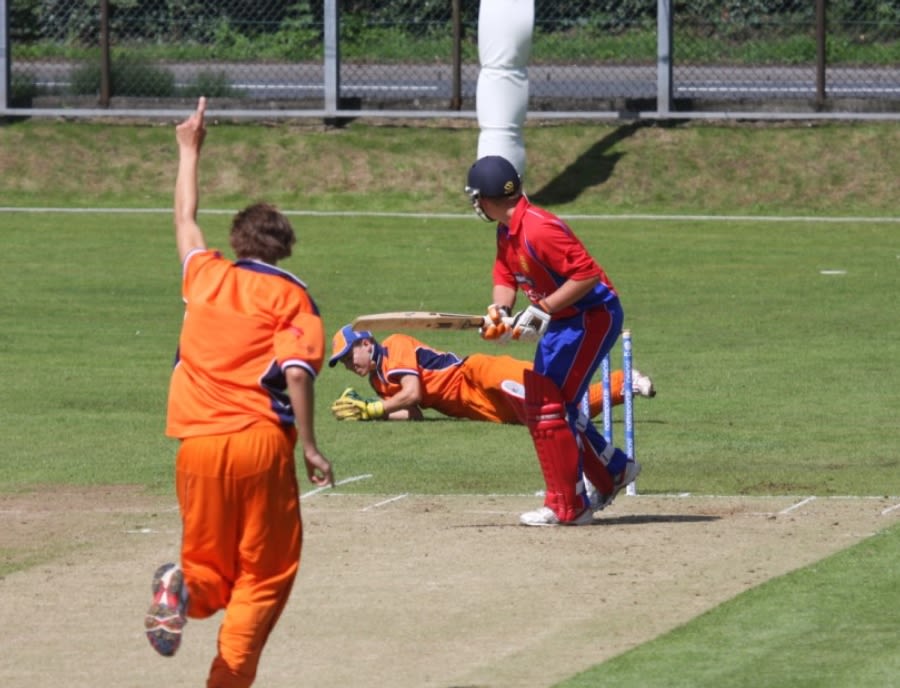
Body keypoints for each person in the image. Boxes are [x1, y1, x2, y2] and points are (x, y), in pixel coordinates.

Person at [144, 96, 334, 688]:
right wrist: (309, 445)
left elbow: (183, 219)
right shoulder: (293, 298)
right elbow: (298, 372)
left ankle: (183, 588)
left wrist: (187, 149)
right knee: (266, 574)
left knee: (209, 570)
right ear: (286, 248)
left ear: (238, 241)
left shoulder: (206, 275)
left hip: (195, 447)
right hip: (258, 445)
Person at [465, 154, 639, 526]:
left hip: (592, 317)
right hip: (563, 321)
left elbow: (587, 275)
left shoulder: (540, 229)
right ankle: (610, 473)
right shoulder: (506, 229)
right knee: (546, 404)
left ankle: (569, 505)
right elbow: (505, 274)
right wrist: (499, 310)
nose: (475, 205)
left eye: (476, 197)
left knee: (548, 407)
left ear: (489, 197)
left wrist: (542, 309)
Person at [327, 326, 654, 423]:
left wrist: (375, 408)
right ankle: (621, 386)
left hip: (474, 373)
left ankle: (605, 371)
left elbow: (411, 393)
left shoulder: (393, 345)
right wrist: (374, 413)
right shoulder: (377, 382)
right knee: (548, 416)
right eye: (341, 363)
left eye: (347, 356)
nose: (347, 365)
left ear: (366, 344)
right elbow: (412, 414)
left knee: (544, 390)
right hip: (473, 407)